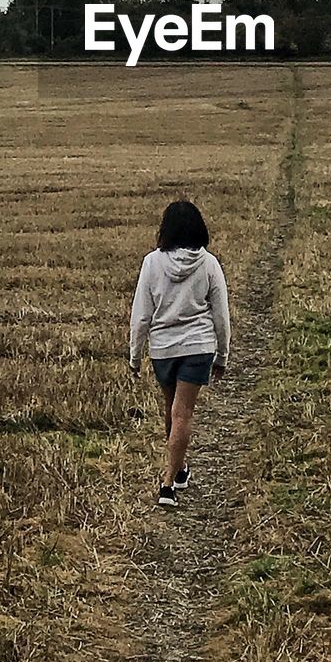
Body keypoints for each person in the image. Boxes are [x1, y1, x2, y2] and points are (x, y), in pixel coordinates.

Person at [129, 200, 231, 508]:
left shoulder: (151, 263)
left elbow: (141, 315)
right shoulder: (209, 264)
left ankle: (168, 480)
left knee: (172, 410)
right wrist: (222, 354)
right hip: (199, 347)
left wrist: (135, 355)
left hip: (163, 348)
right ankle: (174, 477)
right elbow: (221, 315)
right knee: (181, 412)